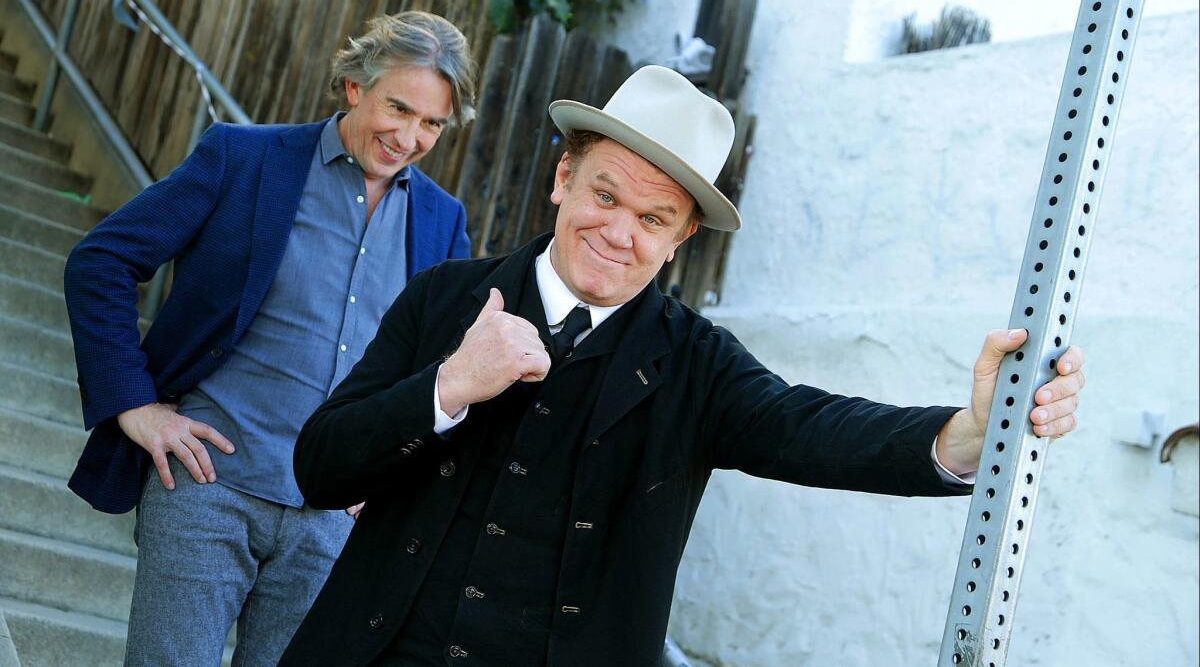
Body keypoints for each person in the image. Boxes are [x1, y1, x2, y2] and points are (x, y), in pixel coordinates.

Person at [279, 65, 1086, 666]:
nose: (620, 233)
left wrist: (967, 434)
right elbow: (319, 467)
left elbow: (813, 428)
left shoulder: (698, 366)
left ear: (681, 238)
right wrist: (448, 386)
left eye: (654, 218)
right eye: (605, 195)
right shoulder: (446, 297)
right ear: (563, 179)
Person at [62, 11, 475, 666]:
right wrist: (134, 406)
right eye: (399, 108)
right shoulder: (244, 158)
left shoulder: (442, 222)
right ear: (355, 88)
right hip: (209, 489)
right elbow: (102, 262)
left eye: (433, 123)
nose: (410, 136)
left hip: (334, 523)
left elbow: (446, 368)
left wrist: (398, 470)